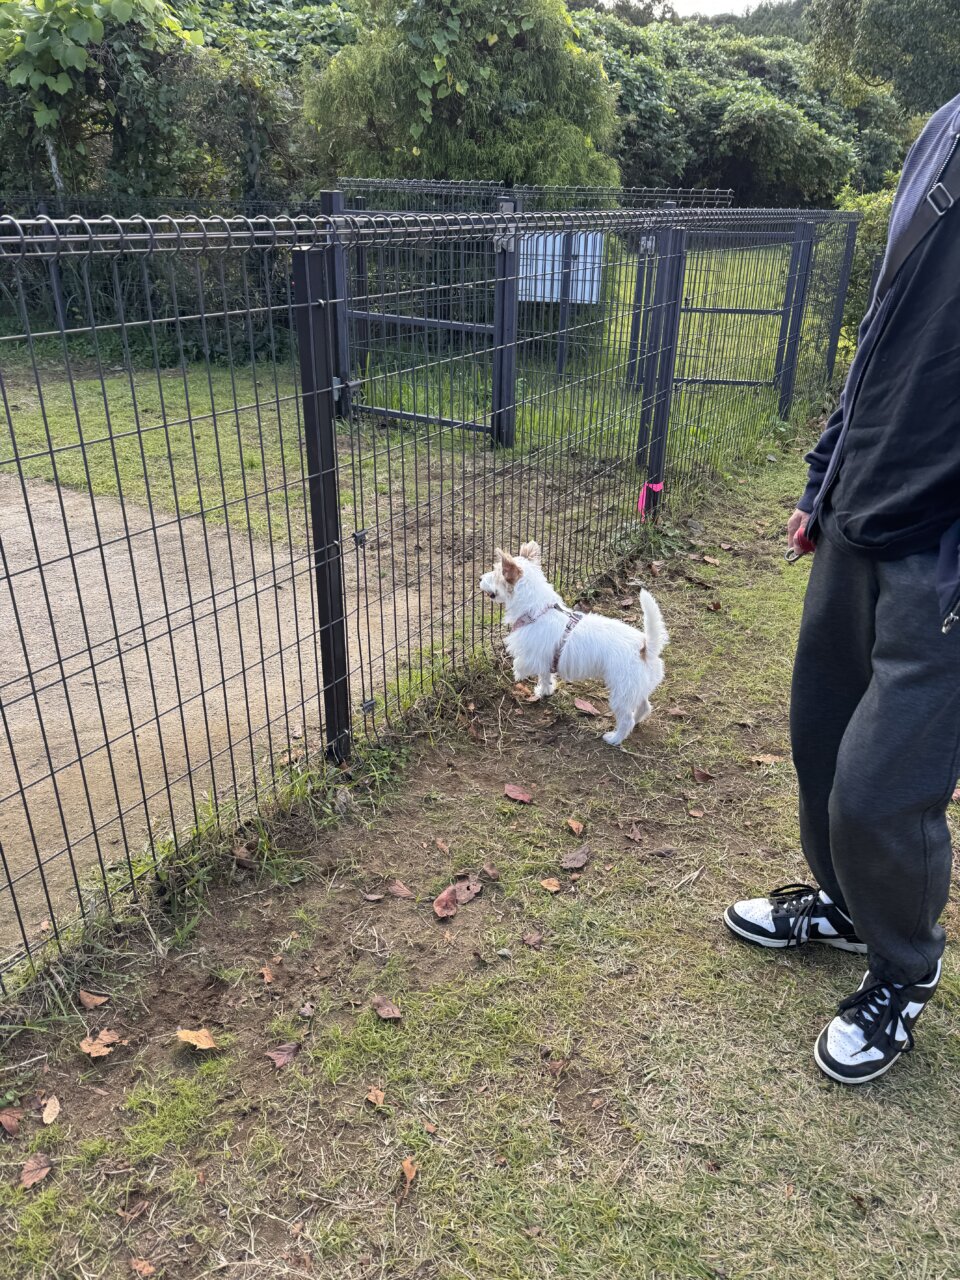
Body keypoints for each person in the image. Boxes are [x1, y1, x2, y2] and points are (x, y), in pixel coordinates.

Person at [723, 91, 960, 1085]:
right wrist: (825, 472)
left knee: (878, 789)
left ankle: (904, 969)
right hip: (860, 512)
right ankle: (851, 911)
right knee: (820, 739)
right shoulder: (946, 124)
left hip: (942, 551)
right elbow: (884, 326)